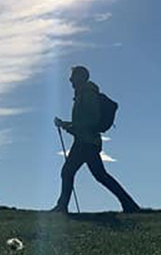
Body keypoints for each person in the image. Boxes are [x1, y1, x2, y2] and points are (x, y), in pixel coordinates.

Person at [51, 65, 141, 213]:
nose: (70, 80)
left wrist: (69, 126)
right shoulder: (82, 94)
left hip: (86, 142)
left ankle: (62, 207)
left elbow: (91, 120)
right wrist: (67, 125)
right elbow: (83, 122)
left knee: (69, 172)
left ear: (80, 78)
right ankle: (129, 204)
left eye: (73, 76)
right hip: (86, 141)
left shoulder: (88, 94)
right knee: (100, 176)